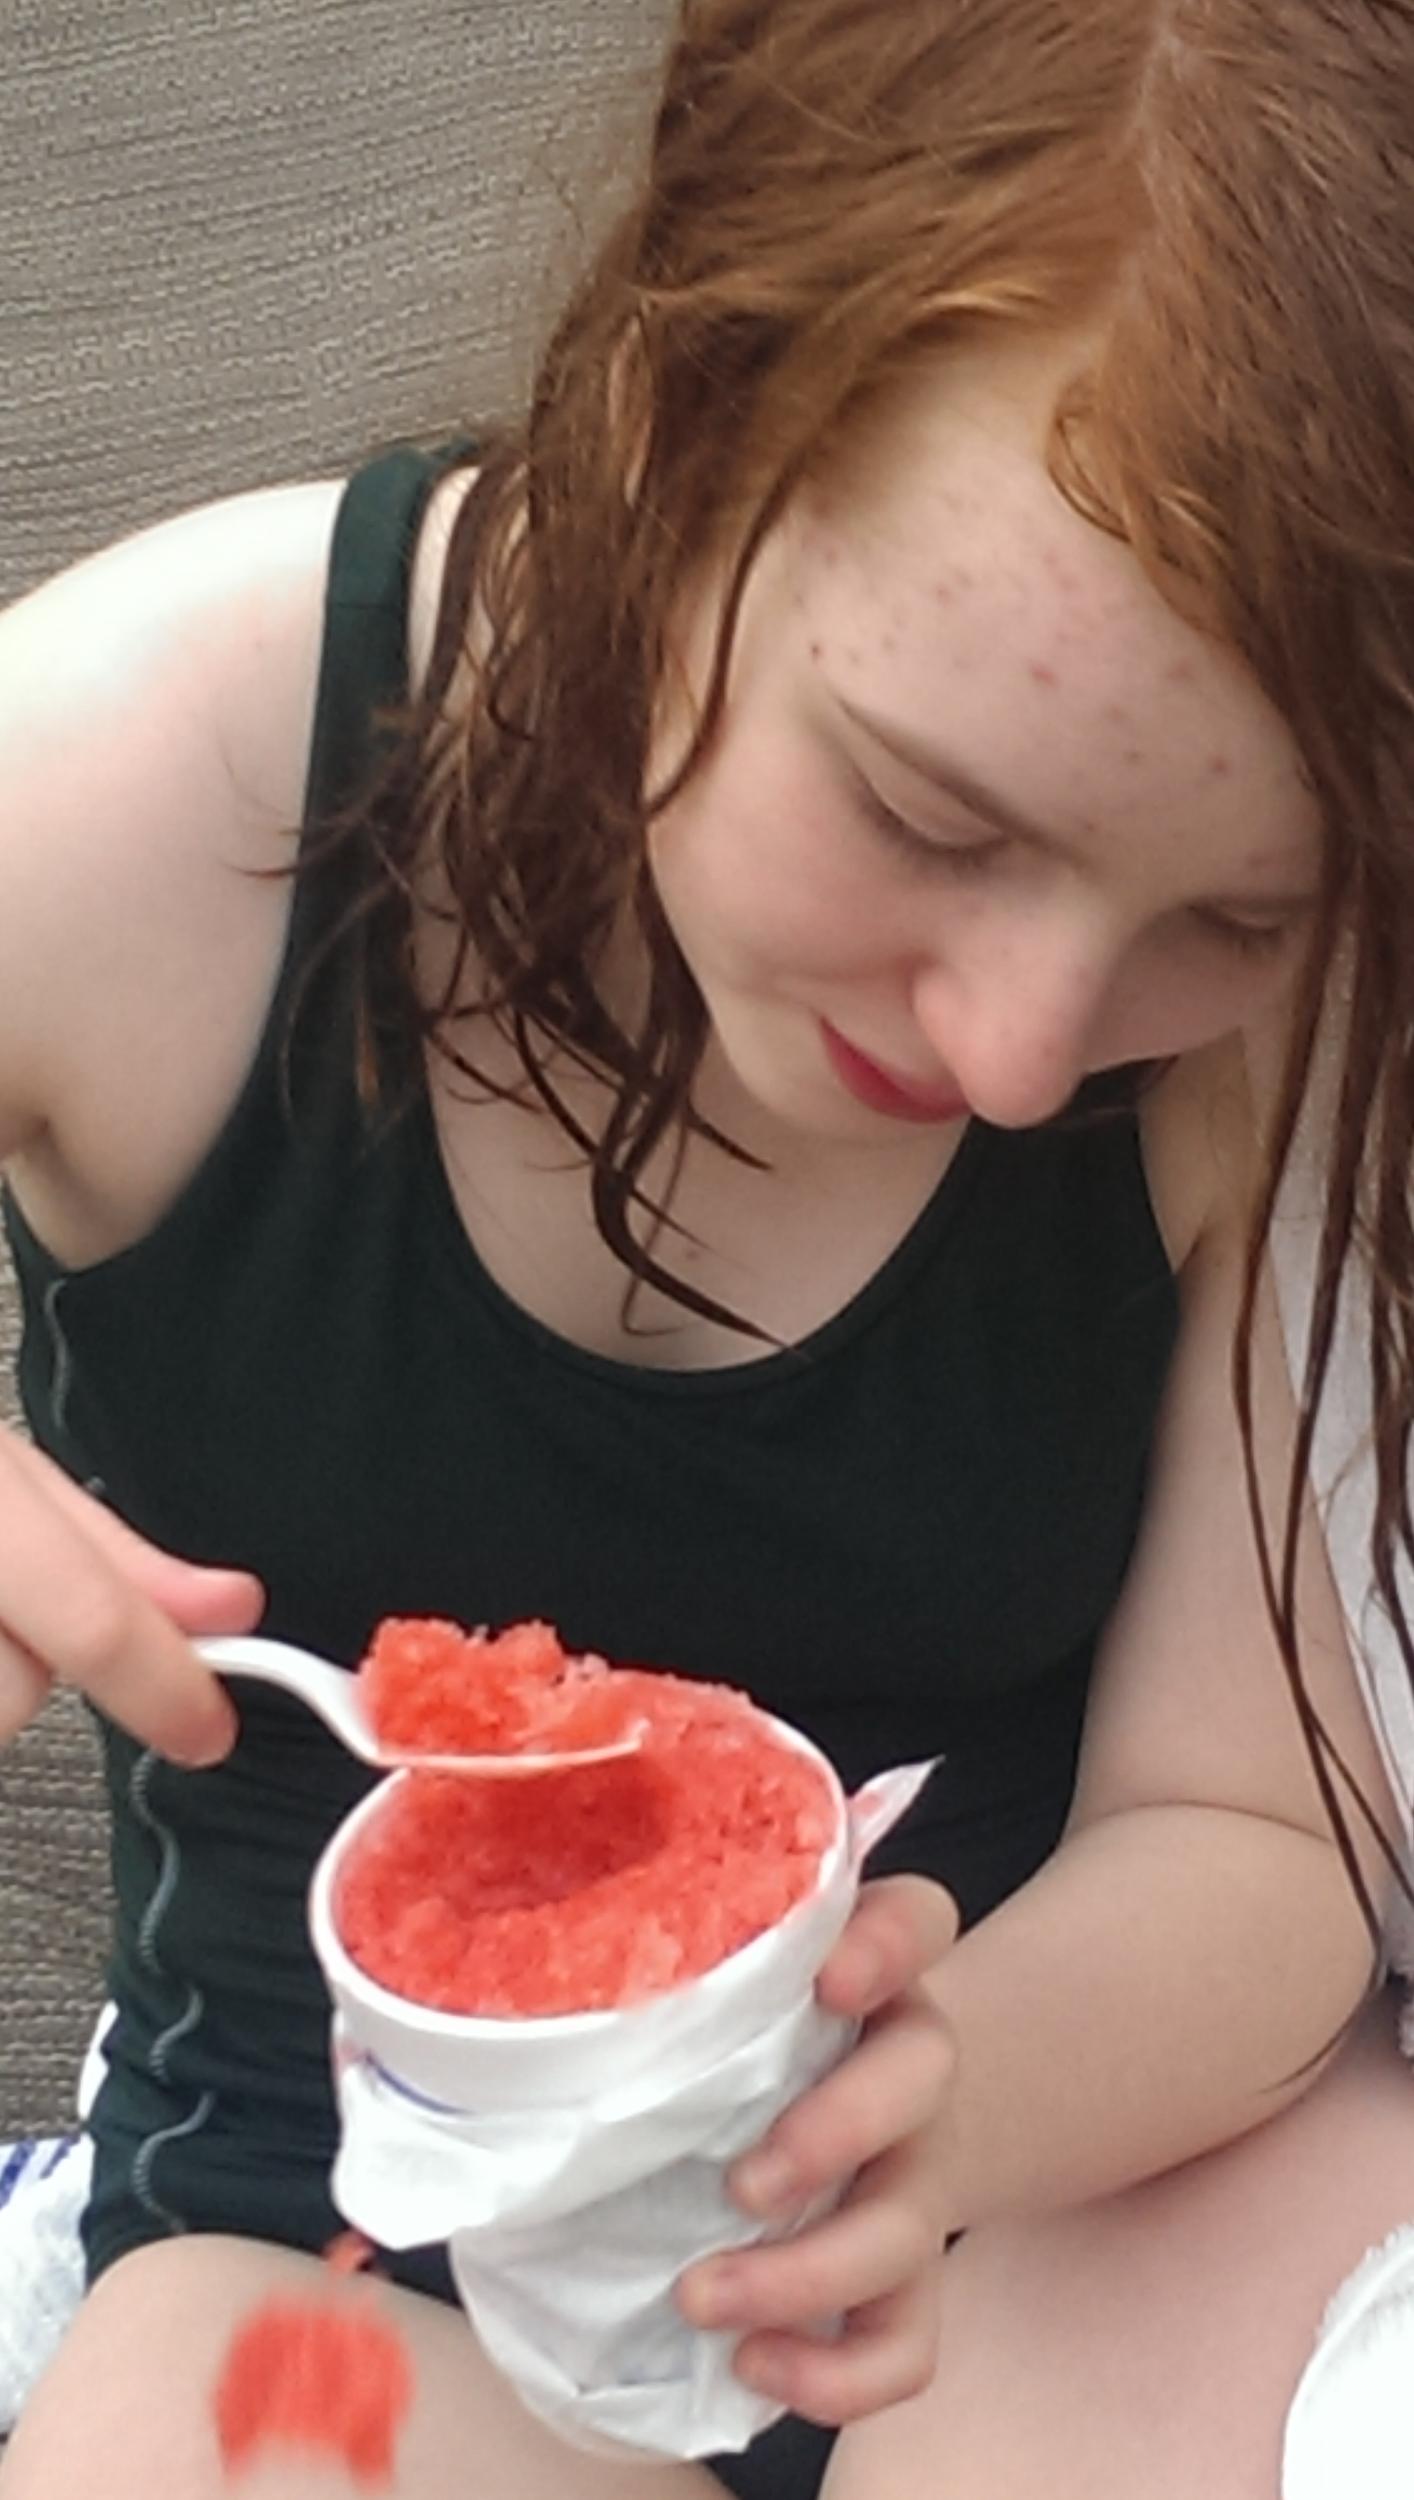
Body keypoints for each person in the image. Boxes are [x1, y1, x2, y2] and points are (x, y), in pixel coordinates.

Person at [2, 0, 1414, 2492]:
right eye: (922, 809)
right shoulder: (139, 791)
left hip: (1047, 2139)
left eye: (1223, 909)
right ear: (675, 410)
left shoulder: (1286, 1044)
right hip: (351, 2197)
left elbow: (1251, 1836)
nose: (1019, 1050)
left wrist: (911, 2109)